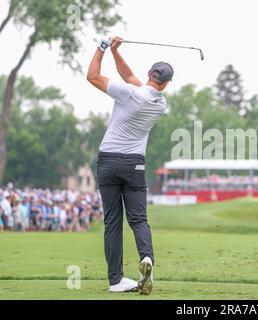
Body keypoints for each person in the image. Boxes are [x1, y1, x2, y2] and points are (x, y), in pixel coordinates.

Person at [87, 36, 173, 294]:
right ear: (167, 83)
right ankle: (147, 258)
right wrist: (116, 52)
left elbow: (92, 76)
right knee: (139, 219)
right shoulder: (159, 103)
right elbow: (129, 76)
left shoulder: (130, 93)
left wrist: (102, 47)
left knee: (113, 221)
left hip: (109, 161)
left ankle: (116, 281)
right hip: (135, 164)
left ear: (150, 74)